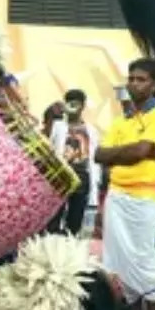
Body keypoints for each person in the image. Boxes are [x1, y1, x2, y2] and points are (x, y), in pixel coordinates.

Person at [94, 58, 155, 310]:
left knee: (143, 259)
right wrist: (128, 153)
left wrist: (121, 153)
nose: (134, 84)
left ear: (154, 84)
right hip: (117, 195)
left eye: (141, 79)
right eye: (131, 78)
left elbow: (146, 150)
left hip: (144, 197)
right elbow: (99, 155)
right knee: (117, 261)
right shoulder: (122, 121)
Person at [59, 89, 93, 235]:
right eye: (70, 103)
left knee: (75, 218)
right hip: (59, 177)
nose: (73, 107)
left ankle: (70, 244)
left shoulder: (90, 130)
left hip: (81, 177)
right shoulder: (58, 127)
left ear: (83, 105)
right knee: (54, 216)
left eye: (77, 103)